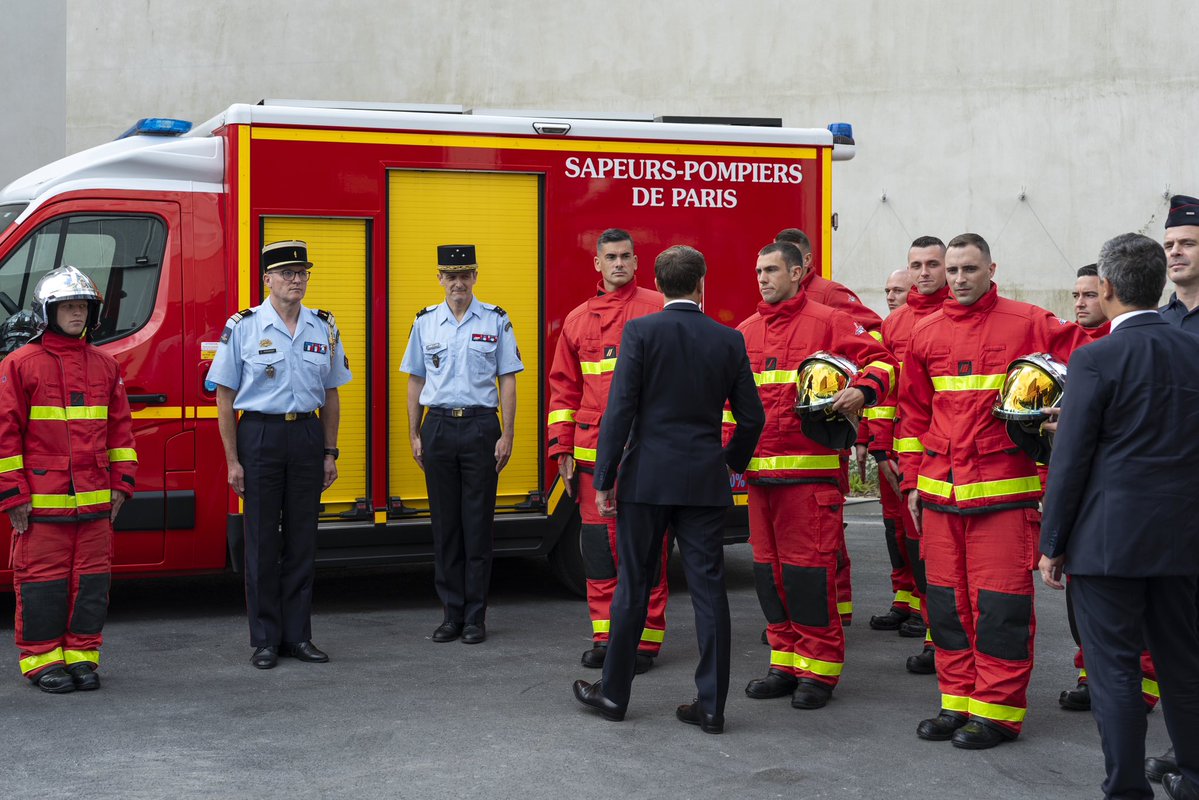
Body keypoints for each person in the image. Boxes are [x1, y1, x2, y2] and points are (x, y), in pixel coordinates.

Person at [898, 232, 1090, 749]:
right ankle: (956, 702)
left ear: (990, 269)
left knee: (999, 609)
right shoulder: (925, 331)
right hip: (941, 495)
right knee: (947, 608)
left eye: (968, 269)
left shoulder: (1028, 321)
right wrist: (913, 480)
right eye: (952, 270)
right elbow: (914, 414)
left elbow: (1090, 358)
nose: (958, 279)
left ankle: (998, 713)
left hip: (1003, 496)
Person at [572, 245, 764, 734]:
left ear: (658, 283)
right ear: (702, 283)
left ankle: (613, 695)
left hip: (646, 481)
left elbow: (619, 411)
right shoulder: (727, 339)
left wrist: (607, 477)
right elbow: (752, 418)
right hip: (703, 482)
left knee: (633, 585)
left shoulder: (640, 330)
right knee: (708, 594)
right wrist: (727, 463)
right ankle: (712, 707)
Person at [1039, 232, 1199, 800]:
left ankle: (1128, 788)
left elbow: (1072, 458)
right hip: (1182, 538)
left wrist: (1051, 541)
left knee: (1114, 675)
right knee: (1182, 665)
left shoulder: (1095, 357)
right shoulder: (1191, 348)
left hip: (1107, 543)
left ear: (1105, 288)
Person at [735, 242, 896, 710]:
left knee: (809, 577)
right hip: (761, 482)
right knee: (769, 577)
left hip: (810, 479)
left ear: (798, 271)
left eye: (771, 270)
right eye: (758, 270)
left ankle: (819, 672)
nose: (762, 278)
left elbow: (884, 362)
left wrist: (863, 393)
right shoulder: (745, 332)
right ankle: (783, 663)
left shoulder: (828, 322)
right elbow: (733, 406)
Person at [210, 240, 351, 670]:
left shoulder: (323, 326)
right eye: (287, 273)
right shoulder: (244, 326)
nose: (296, 280)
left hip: (306, 435)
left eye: (302, 272)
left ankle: (298, 636)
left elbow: (331, 394)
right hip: (260, 435)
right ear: (267, 279)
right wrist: (233, 460)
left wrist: (330, 451)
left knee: (302, 541)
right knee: (261, 541)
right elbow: (224, 396)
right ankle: (266, 640)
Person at [0, 266, 137, 693]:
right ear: (48, 312)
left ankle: (81, 656)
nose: (77, 313)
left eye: (83, 306)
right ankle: (42, 661)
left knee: (91, 584)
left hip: (94, 502)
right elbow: (5, 434)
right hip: (42, 502)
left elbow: (121, 432)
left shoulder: (104, 365)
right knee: (42, 583)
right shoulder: (19, 364)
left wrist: (122, 484)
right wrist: (13, 495)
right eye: (68, 306)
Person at [547, 228, 667, 673]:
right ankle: (606, 636)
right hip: (592, 457)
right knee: (598, 552)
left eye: (625, 257)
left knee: (645, 552)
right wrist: (561, 447)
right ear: (597, 264)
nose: (618, 264)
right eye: (610, 257)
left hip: (646, 454)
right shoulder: (578, 321)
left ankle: (645, 642)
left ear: (637, 262)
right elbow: (563, 390)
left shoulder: (658, 309)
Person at [401, 245, 523, 646]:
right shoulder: (425, 322)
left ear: (475, 277)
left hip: (480, 427)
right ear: (439, 278)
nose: (458, 283)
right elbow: (415, 380)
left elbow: (508, 377)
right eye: (450, 276)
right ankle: (451, 615)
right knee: (445, 526)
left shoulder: (496, 320)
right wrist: (414, 432)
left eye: (465, 275)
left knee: (477, 525)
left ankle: (475, 617)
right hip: (437, 425)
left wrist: (507, 433)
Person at [774, 227, 882, 626]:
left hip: (821, 437)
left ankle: (838, 607)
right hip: (780, 449)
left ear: (804, 264)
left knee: (825, 537)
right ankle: (813, 615)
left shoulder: (832, 297)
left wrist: (850, 385)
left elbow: (873, 336)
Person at [865, 237, 950, 679]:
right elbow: (888, 395)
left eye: (932, 264)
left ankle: (941, 636)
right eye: (916, 264)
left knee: (937, 552)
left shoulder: (954, 317)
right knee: (909, 542)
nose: (923, 273)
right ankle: (931, 628)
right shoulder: (895, 323)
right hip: (905, 454)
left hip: (947, 455)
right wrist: (880, 447)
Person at [1144, 193, 1199, 785]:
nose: (1175, 254)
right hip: (1168, 509)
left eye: (1186, 244)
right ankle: (1188, 752)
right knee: (1178, 647)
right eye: (1169, 246)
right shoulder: (1160, 321)